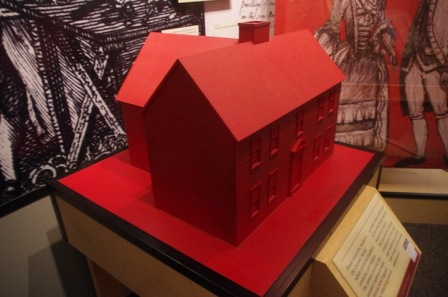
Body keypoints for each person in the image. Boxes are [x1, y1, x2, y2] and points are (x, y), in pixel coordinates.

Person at [315, 0, 396, 152]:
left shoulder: (379, 1)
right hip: (349, 64)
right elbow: (332, 25)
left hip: (372, 64)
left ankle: (367, 154)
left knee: (373, 118)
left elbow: (382, 23)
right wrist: (322, 45)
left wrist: (385, 38)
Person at [396, 0, 448, 167]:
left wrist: (446, 66)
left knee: (442, 111)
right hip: (413, 63)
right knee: (415, 111)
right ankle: (419, 154)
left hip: (435, 64)